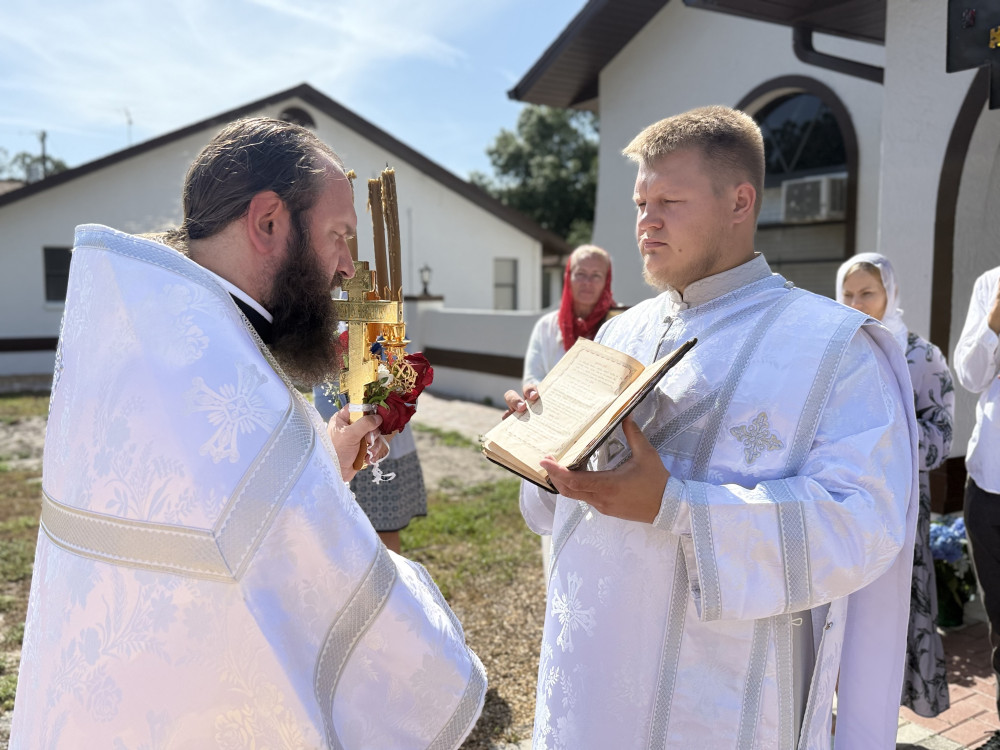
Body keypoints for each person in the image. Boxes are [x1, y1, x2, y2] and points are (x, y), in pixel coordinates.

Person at [11, 118, 485, 749]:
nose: (348, 269)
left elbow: (223, 523)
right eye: (339, 236)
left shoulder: (165, 333)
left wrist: (323, 462)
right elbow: (329, 584)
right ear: (268, 222)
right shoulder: (224, 375)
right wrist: (444, 643)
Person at [505, 106, 918, 749]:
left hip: (715, 700)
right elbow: (548, 510)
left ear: (740, 201)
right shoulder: (620, 331)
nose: (646, 220)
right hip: (587, 669)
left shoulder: (832, 346)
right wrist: (543, 449)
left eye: (670, 199)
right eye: (641, 201)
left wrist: (678, 508)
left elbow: (865, 520)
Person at [837, 252, 954, 718]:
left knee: (890, 621)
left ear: (890, 294)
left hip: (899, 507)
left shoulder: (920, 356)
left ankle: (881, 727)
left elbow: (941, 439)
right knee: (841, 620)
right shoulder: (836, 352)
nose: (857, 303)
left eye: (868, 292)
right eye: (848, 294)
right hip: (841, 506)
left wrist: (887, 433)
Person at [522, 244, 613, 571]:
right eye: (580, 274)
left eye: (596, 275)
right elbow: (532, 374)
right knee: (560, 530)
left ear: (607, 281)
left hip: (607, 446)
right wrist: (532, 390)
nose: (587, 282)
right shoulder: (548, 327)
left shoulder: (619, 325)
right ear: (567, 277)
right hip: (556, 442)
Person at [954, 266, 1000, 750]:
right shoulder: (991, 283)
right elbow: (969, 375)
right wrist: (994, 321)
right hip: (990, 481)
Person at [313, 384, 426, 554]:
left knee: (384, 529)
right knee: (337, 531)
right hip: (337, 445)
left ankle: (387, 578)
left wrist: (381, 438)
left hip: (383, 446)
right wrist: (345, 435)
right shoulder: (324, 360)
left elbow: (406, 392)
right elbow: (322, 397)